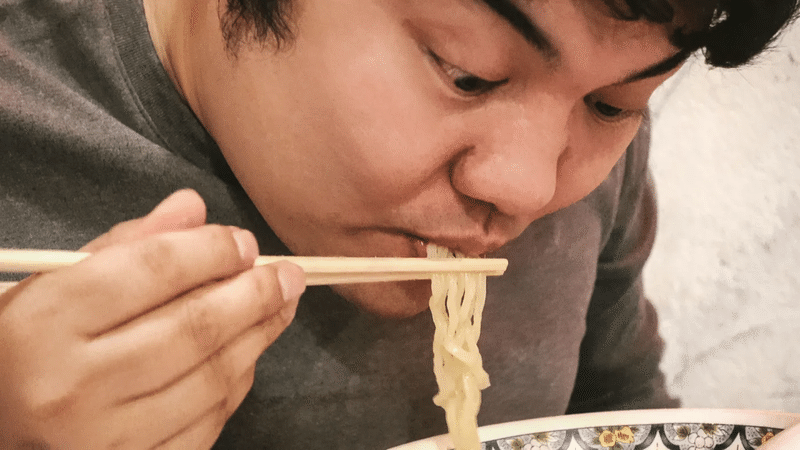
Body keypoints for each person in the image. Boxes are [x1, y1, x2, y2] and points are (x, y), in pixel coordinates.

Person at [0, 0, 797, 448]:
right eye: (468, 73)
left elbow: (618, 414)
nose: (526, 187)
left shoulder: (578, 165)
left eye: (610, 105)